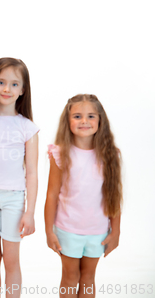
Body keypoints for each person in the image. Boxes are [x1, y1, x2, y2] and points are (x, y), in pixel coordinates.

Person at [44, 94, 122, 298]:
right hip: (68, 229)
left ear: (100, 121)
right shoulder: (60, 154)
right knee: (70, 276)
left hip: (97, 231)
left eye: (91, 116)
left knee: (88, 277)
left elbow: (114, 195)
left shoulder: (110, 155)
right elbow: (51, 195)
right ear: (67, 120)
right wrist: (49, 231)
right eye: (77, 116)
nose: (84, 121)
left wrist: (116, 231)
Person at [0, 58, 38, 298]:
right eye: (1, 82)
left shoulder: (27, 128)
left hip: (14, 199)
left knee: (12, 260)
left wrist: (29, 211)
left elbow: (32, 173)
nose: (6, 89)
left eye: (14, 84)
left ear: (23, 90)